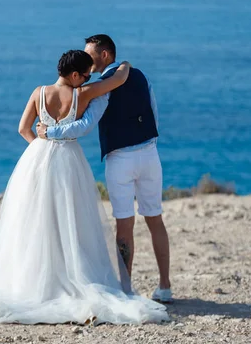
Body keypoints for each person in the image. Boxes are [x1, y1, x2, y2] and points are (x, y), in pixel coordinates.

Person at [0, 50, 169, 324]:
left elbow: (23, 128)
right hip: (69, 160)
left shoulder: (38, 92)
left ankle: (33, 278)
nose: (88, 78)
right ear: (76, 75)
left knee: (35, 219)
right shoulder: (82, 95)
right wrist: (124, 66)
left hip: (37, 161)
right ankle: (70, 274)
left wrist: (41, 150)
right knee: (71, 219)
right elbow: (113, 85)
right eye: (86, 75)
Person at [36, 35, 172, 303]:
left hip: (120, 159)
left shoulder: (103, 87)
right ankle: (165, 286)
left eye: (91, 55)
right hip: (150, 154)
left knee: (124, 226)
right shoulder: (140, 76)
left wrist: (49, 132)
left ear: (105, 55)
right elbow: (154, 112)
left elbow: (85, 125)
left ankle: (126, 289)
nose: (88, 61)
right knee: (155, 219)